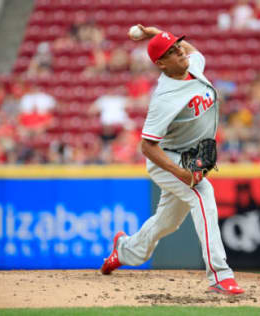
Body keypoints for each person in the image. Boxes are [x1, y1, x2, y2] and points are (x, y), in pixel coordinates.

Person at [100, 24, 245, 295]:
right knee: (203, 195)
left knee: (168, 222)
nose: (180, 51)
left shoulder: (193, 66)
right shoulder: (165, 98)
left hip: (189, 155)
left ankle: (125, 249)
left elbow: (191, 51)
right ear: (161, 64)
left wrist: (156, 32)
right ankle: (220, 274)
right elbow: (147, 146)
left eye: (178, 45)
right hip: (166, 160)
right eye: (171, 50)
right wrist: (180, 173)